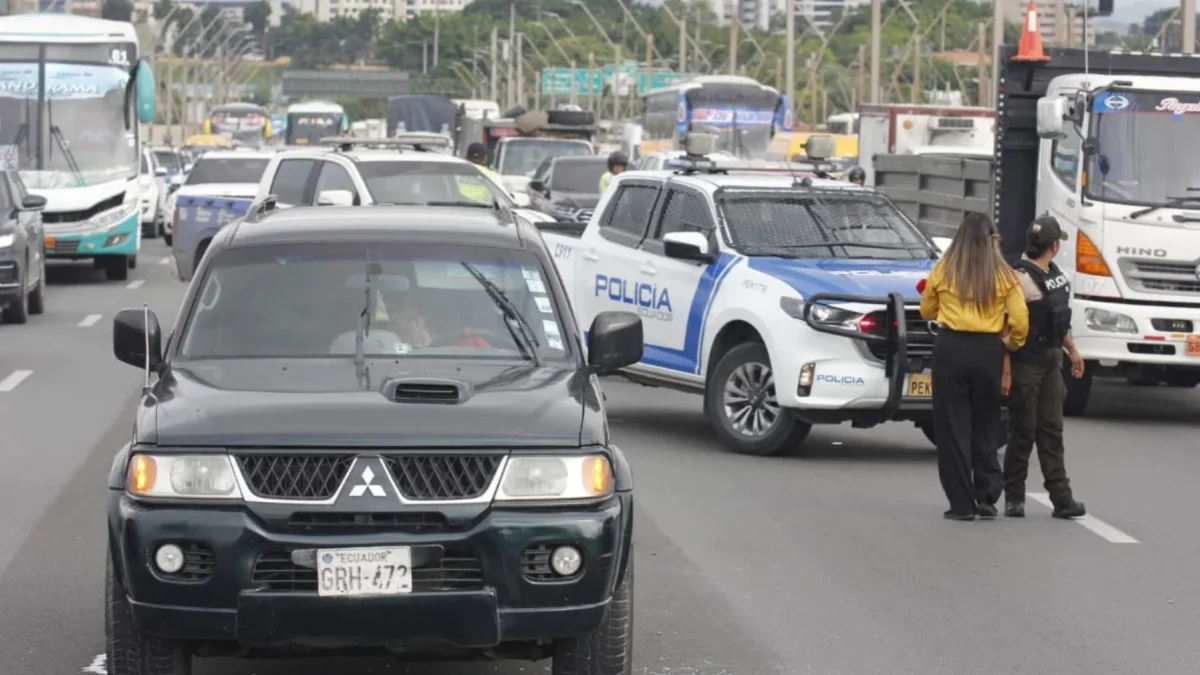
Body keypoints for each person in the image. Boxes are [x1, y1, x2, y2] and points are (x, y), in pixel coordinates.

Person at [919, 212, 1029, 521]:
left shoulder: (944, 270)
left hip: (951, 348)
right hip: (988, 351)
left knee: (953, 428)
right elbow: (1020, 320)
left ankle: (961, 503)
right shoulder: (1005, 275)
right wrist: (1010, 344)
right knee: (987, 423)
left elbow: (927, 310)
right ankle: (987, 496)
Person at [1002, 216, 1087, 519]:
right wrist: (1007, 370)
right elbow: (1005, 329)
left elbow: (1056, 320)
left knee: (1052, 431)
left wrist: (1073, 350)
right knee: (1022, 431)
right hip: (1025, 364)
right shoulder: (1016, 278)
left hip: (1052, 362)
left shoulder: (1054, 275)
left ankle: (1062, 499)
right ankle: (1014, 497)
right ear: (1055, 245)